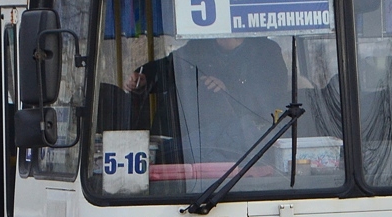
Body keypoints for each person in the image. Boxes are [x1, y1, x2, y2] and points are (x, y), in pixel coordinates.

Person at [124, 36, 289, 163]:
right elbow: (170, 67)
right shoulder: (199, 47)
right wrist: (144, 77)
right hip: (196, 143)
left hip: (245, 147)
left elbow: (271, 98)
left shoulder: (266, 51)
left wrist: (229, 91)